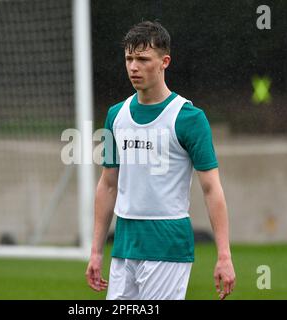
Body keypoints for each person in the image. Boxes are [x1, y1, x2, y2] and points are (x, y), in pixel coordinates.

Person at [85, 21, 235, 300]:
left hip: (167, 242)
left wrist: (224, 255)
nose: (133, 67)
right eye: (129, 59)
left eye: (142, 59)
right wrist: (95, 251)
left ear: (165, 62)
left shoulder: (189, 118)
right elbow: (107, 184)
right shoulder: (115, 115)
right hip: (125, 243)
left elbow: (212, 188)